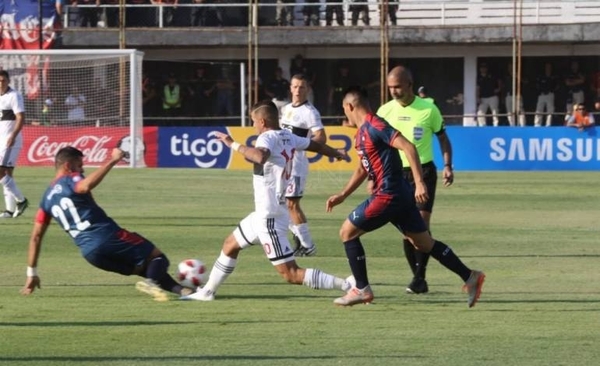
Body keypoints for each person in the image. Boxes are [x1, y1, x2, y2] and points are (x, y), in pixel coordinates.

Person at [326, 86, 485, 307]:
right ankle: (471, 277)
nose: (345, 114)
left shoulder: (376, 124)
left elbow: (408, 147)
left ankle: (361, 288)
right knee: (423, 243)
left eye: (344, 110)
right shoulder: (361, 133)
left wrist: (420, 182)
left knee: (347, 232)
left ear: (350, 106)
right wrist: (343, 194)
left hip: (389, 194)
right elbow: (363, 168)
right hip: (399, 195)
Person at [181, 100, 352, 301]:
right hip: (262, 214)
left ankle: (348, 285)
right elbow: (314, 145)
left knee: (291, 274)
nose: (253, 125)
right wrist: (336, 153)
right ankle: (207, 292)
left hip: (269, 217)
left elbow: (260, 156)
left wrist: (232, 143)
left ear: (262, 121)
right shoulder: (288, 136)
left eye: (253, 121)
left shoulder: (267, 137)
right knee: (230, 245)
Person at [20, 146, 191, 301]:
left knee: (146, 268)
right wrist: (113, 160)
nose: (82, 169)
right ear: (67, 166)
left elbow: (35, 237)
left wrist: (31, 272)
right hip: (107, 236)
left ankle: (184, 292)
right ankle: (152, 283)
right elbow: (84, 186)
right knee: (157, 256)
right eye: (79, 165)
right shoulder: (70, 179)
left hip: (91, 254)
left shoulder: (46, 199)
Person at [377, 66, 454, 295]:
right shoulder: (384, 111)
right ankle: (418, 277)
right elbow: (377, 145)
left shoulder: (429, 110)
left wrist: (448, 165)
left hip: (424, 172)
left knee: (421, 225)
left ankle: (419, 277)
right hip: (395, 173)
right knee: (407, 232)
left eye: (398, 87)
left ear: (409, 84)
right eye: (390, 87)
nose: (394, 91)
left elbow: (443, 139)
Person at [280, 74, 326, 257]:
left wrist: (302, 143)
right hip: (283, 165)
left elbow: (321, 137)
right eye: (295, 86)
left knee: (292, 204)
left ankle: (308, 246)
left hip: (297, 166)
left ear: (307, 89)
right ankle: (299, 241)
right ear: (290, 88)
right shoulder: (285, 109)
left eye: (302, 87)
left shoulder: (310, 112)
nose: (298, 90)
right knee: (281, 204)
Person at [0, 70, 29, 219]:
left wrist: (13, 135)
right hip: (1, 140)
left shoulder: (14, 96)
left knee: (1, 172)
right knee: (7, 174)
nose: (1, 83)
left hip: (10, 140)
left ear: (8, 81)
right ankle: (9, 211)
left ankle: (21, 200)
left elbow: (20, 117)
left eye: (3, 80)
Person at [533, 62, 559, 127]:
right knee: (539, 110)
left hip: (550, 94)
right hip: (541, 95)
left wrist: (552, 91)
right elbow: (537, 85)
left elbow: (557, 86)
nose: (548, 69)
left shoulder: (553, 76)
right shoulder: (541, 76)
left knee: (550, 111)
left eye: (549, 67)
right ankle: (537, 124)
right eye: (547, 67)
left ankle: (548, 124)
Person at [476, 62, 501, 127]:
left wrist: (499, 88)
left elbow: (499, 81)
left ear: (486, 69)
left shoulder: (491, 75)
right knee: (480, 112)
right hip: (483, 97)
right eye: (482, 68)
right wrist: (478, 97)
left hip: (493, 96)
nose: (483, 69)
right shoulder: (479, 77)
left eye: (484, 68)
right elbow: (478, 88)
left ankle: (496, 125)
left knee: (495, 111)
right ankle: (482, 126)